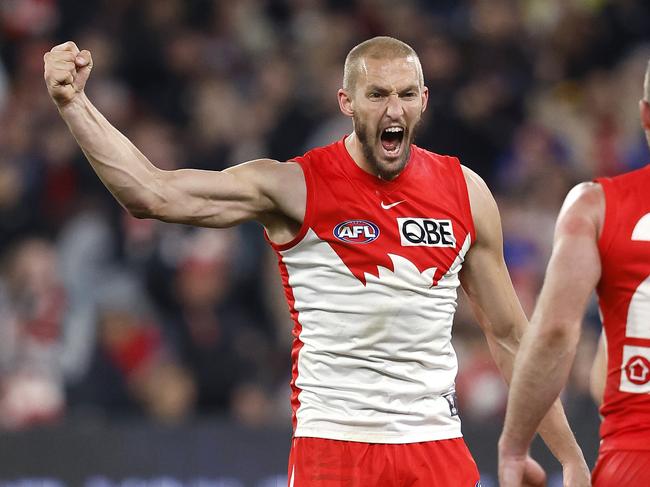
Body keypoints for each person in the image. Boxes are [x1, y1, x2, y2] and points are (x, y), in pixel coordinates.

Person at [44, 36, 590, 487]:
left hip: (436, 449)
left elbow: (512, 337)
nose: (393, 109)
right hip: (335, 450)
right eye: (376, 95)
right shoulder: (295, 186)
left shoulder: (466, 193)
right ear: (347, 103)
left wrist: (568, 457)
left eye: (405, 94)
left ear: (424, 99)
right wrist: (74, 104)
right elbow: (153, 194)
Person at [498, 61, 650, 487]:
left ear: (643, 115)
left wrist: (515, 446)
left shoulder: (598, 207)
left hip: (636, 457)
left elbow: (555, 334)